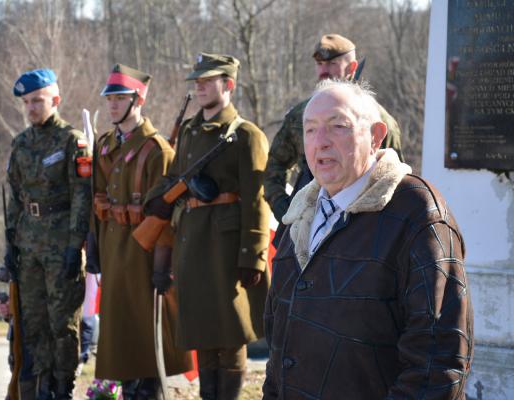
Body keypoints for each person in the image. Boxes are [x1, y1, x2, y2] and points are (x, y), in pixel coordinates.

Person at [262, 79, 473, 399]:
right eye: (310, 129)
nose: (320, 142)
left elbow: (437, 362)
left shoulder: (417, 212)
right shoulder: (299, 216)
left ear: (375, 136)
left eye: (338, 126)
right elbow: (277, 347)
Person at [144, 53, 271, 399]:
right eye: (196, 82)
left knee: (230, 336)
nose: (198, 87)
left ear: (228, 85)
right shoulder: (188, 130)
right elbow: (172, 178)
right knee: (202, 333)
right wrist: (156, 199)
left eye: (206, 81)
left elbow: (257, 199)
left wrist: (253, 256)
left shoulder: (247, 135)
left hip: (227, 249)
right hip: (193, 242)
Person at [91, 64, 193, 399]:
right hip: (112, 250)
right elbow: (97, 200)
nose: (113, 105)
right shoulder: (105, 145)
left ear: (138, 100)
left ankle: (149, 392)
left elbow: (166, 215)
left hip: (143, 255)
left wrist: (164, 265)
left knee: (147, 339)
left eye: (120, 98)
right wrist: (93, 246)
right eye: (110, 99)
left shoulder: (157, 149)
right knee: (119, 335)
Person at [264, 33, 404, 246]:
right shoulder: (300, 115)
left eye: (332, 63)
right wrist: (287, 210)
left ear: (352, 67)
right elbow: (274, 166)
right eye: (319, 64)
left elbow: (394, 179)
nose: (323, 71)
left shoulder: (379, 119)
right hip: (305, 229)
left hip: (363, 229)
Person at [4, 68, 91, 400]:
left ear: (55, 99)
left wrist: (75, 246)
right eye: (27, 102)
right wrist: (10, 243)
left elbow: (81, 197)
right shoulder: (21, 143)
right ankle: (38, 386)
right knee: (33, 321)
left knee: (62, 322)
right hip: (28, 246)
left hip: (60, 243)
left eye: (37, 101)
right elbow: (15, 197)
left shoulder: (72, 141)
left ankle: (62, 385)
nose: (31, 108)